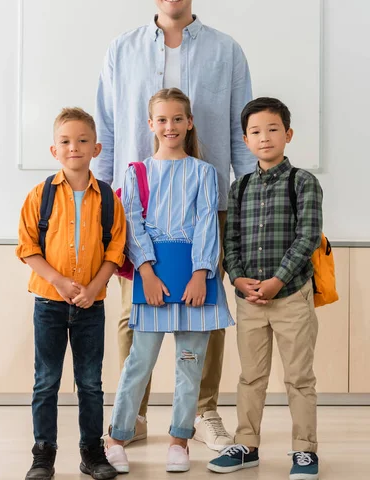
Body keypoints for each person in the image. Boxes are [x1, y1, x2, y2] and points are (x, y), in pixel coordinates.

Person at [92, 0, 255, 450]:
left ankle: (203, 413)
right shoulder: (122, 49)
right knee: (130, 314)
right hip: (137, 208)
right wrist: (100, 197)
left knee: (206, 309)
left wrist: (247, 196)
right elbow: (109, 128)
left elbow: (238, 129)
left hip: (207, 204)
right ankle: (133, 414)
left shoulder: (226, 50)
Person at [105, 88, 234, 473]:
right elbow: (133, 225)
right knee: (138, 363)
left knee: (189, 363)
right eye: (162, 119)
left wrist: (200, 274)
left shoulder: (204, 172)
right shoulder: (136, 173)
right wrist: (145, 273)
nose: (170, 126)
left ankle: (180, 439)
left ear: (189, 122)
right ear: (150, 125)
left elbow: (208, 222)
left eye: (178, 118)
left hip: (197, 279)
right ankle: (116, 436)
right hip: (153, 278)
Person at [207, 97, 322, 480]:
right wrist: (238, 278)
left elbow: (308, 237)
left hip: (290, 297)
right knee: (250, 376)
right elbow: (232, 240)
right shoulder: (239, 188)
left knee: (298, 377)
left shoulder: (302, 181)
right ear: (245, 139)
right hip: (250, 300)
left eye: (273, 129)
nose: (265, 137)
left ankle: (304, 450)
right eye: (255, 131)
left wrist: (276, 282)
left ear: (287, 134)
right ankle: (247, 445)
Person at [16, 107, 126, 480]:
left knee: (90, 382)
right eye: (65, 141)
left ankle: (92, 453)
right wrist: (60, 282)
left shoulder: (108, 198)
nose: (74, 147)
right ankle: (43, 453)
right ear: (54, 150)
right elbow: (27, 246)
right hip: (49, 302)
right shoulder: (39, 195)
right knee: (46, 380)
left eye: (82, 141)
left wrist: (94, 289)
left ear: (96, 148)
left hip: (91, 307)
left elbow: (116, 251)